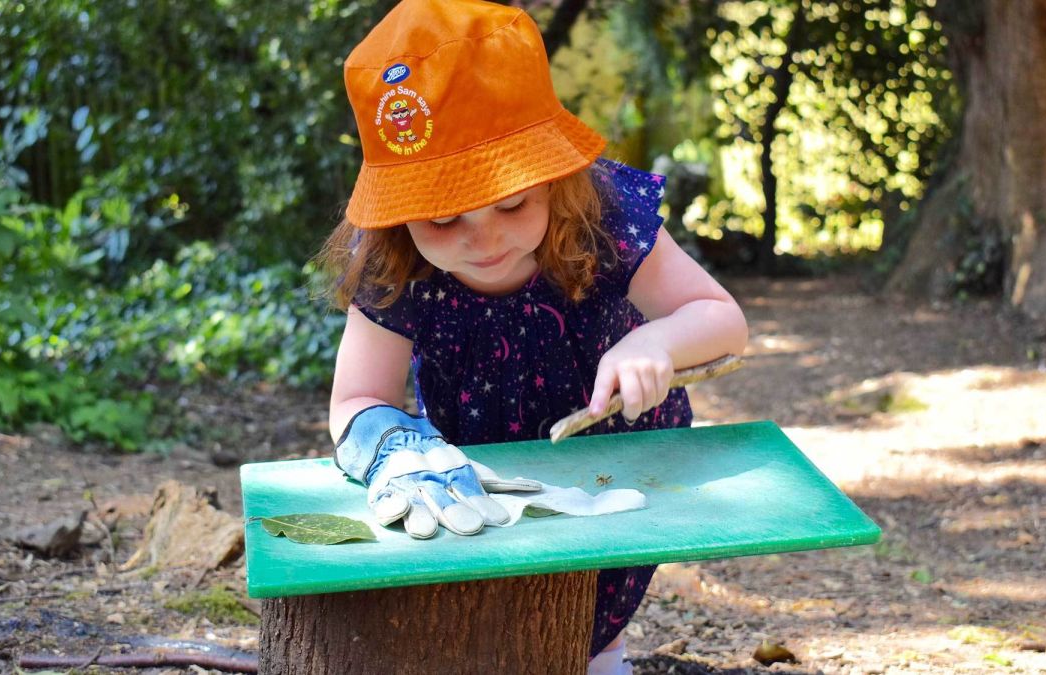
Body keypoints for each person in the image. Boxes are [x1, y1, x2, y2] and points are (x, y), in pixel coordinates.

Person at [314, 1, 748, 672]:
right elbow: (355, 400)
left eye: (513, 202)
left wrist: (654, 343)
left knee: (588, 632)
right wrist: (394, 446)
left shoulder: (601, 217)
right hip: (475, 477)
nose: (483, 240)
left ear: (555, 176)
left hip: (620, 468)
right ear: (398, 216)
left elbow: (721, 318)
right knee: (490, 624)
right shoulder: (392, 261)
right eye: (443, 219)